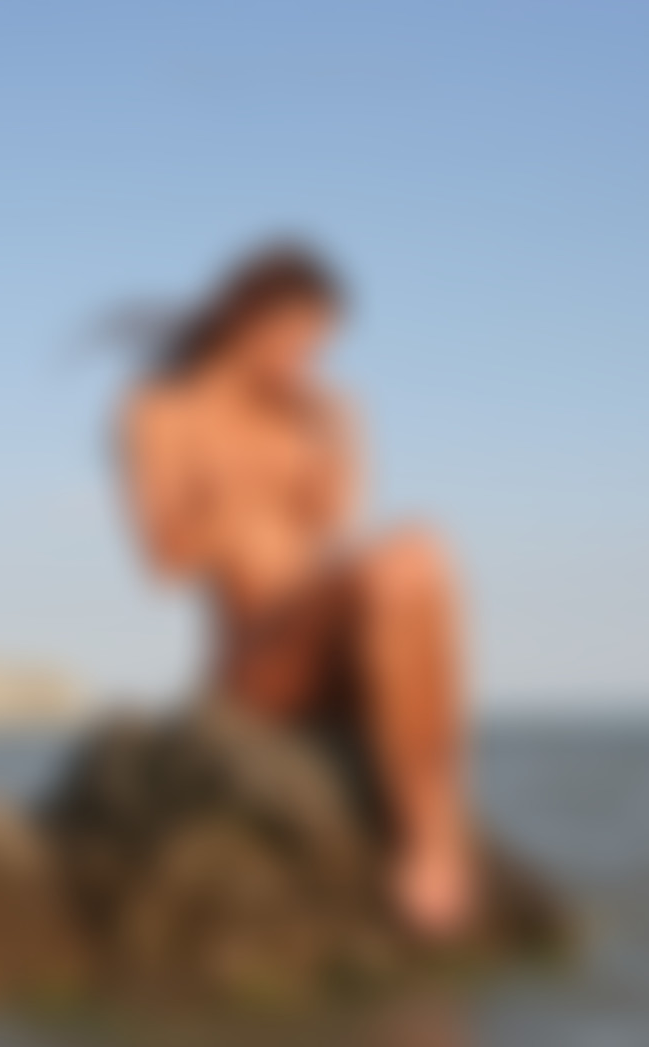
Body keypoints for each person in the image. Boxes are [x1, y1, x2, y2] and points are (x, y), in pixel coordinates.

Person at [114, 240, 475, 938]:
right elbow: (161, 559)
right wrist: (239, 509)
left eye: (315, 346)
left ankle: (433, 824)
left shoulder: (314, 411)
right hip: (255, 661)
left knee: (421, 551)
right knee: (404, 559)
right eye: (291, 339)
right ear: (243, 318)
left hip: (329, 643)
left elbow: (333, 522)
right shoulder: (160, 409)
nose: (302, 359)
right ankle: (431, 841)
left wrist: (338, 439)